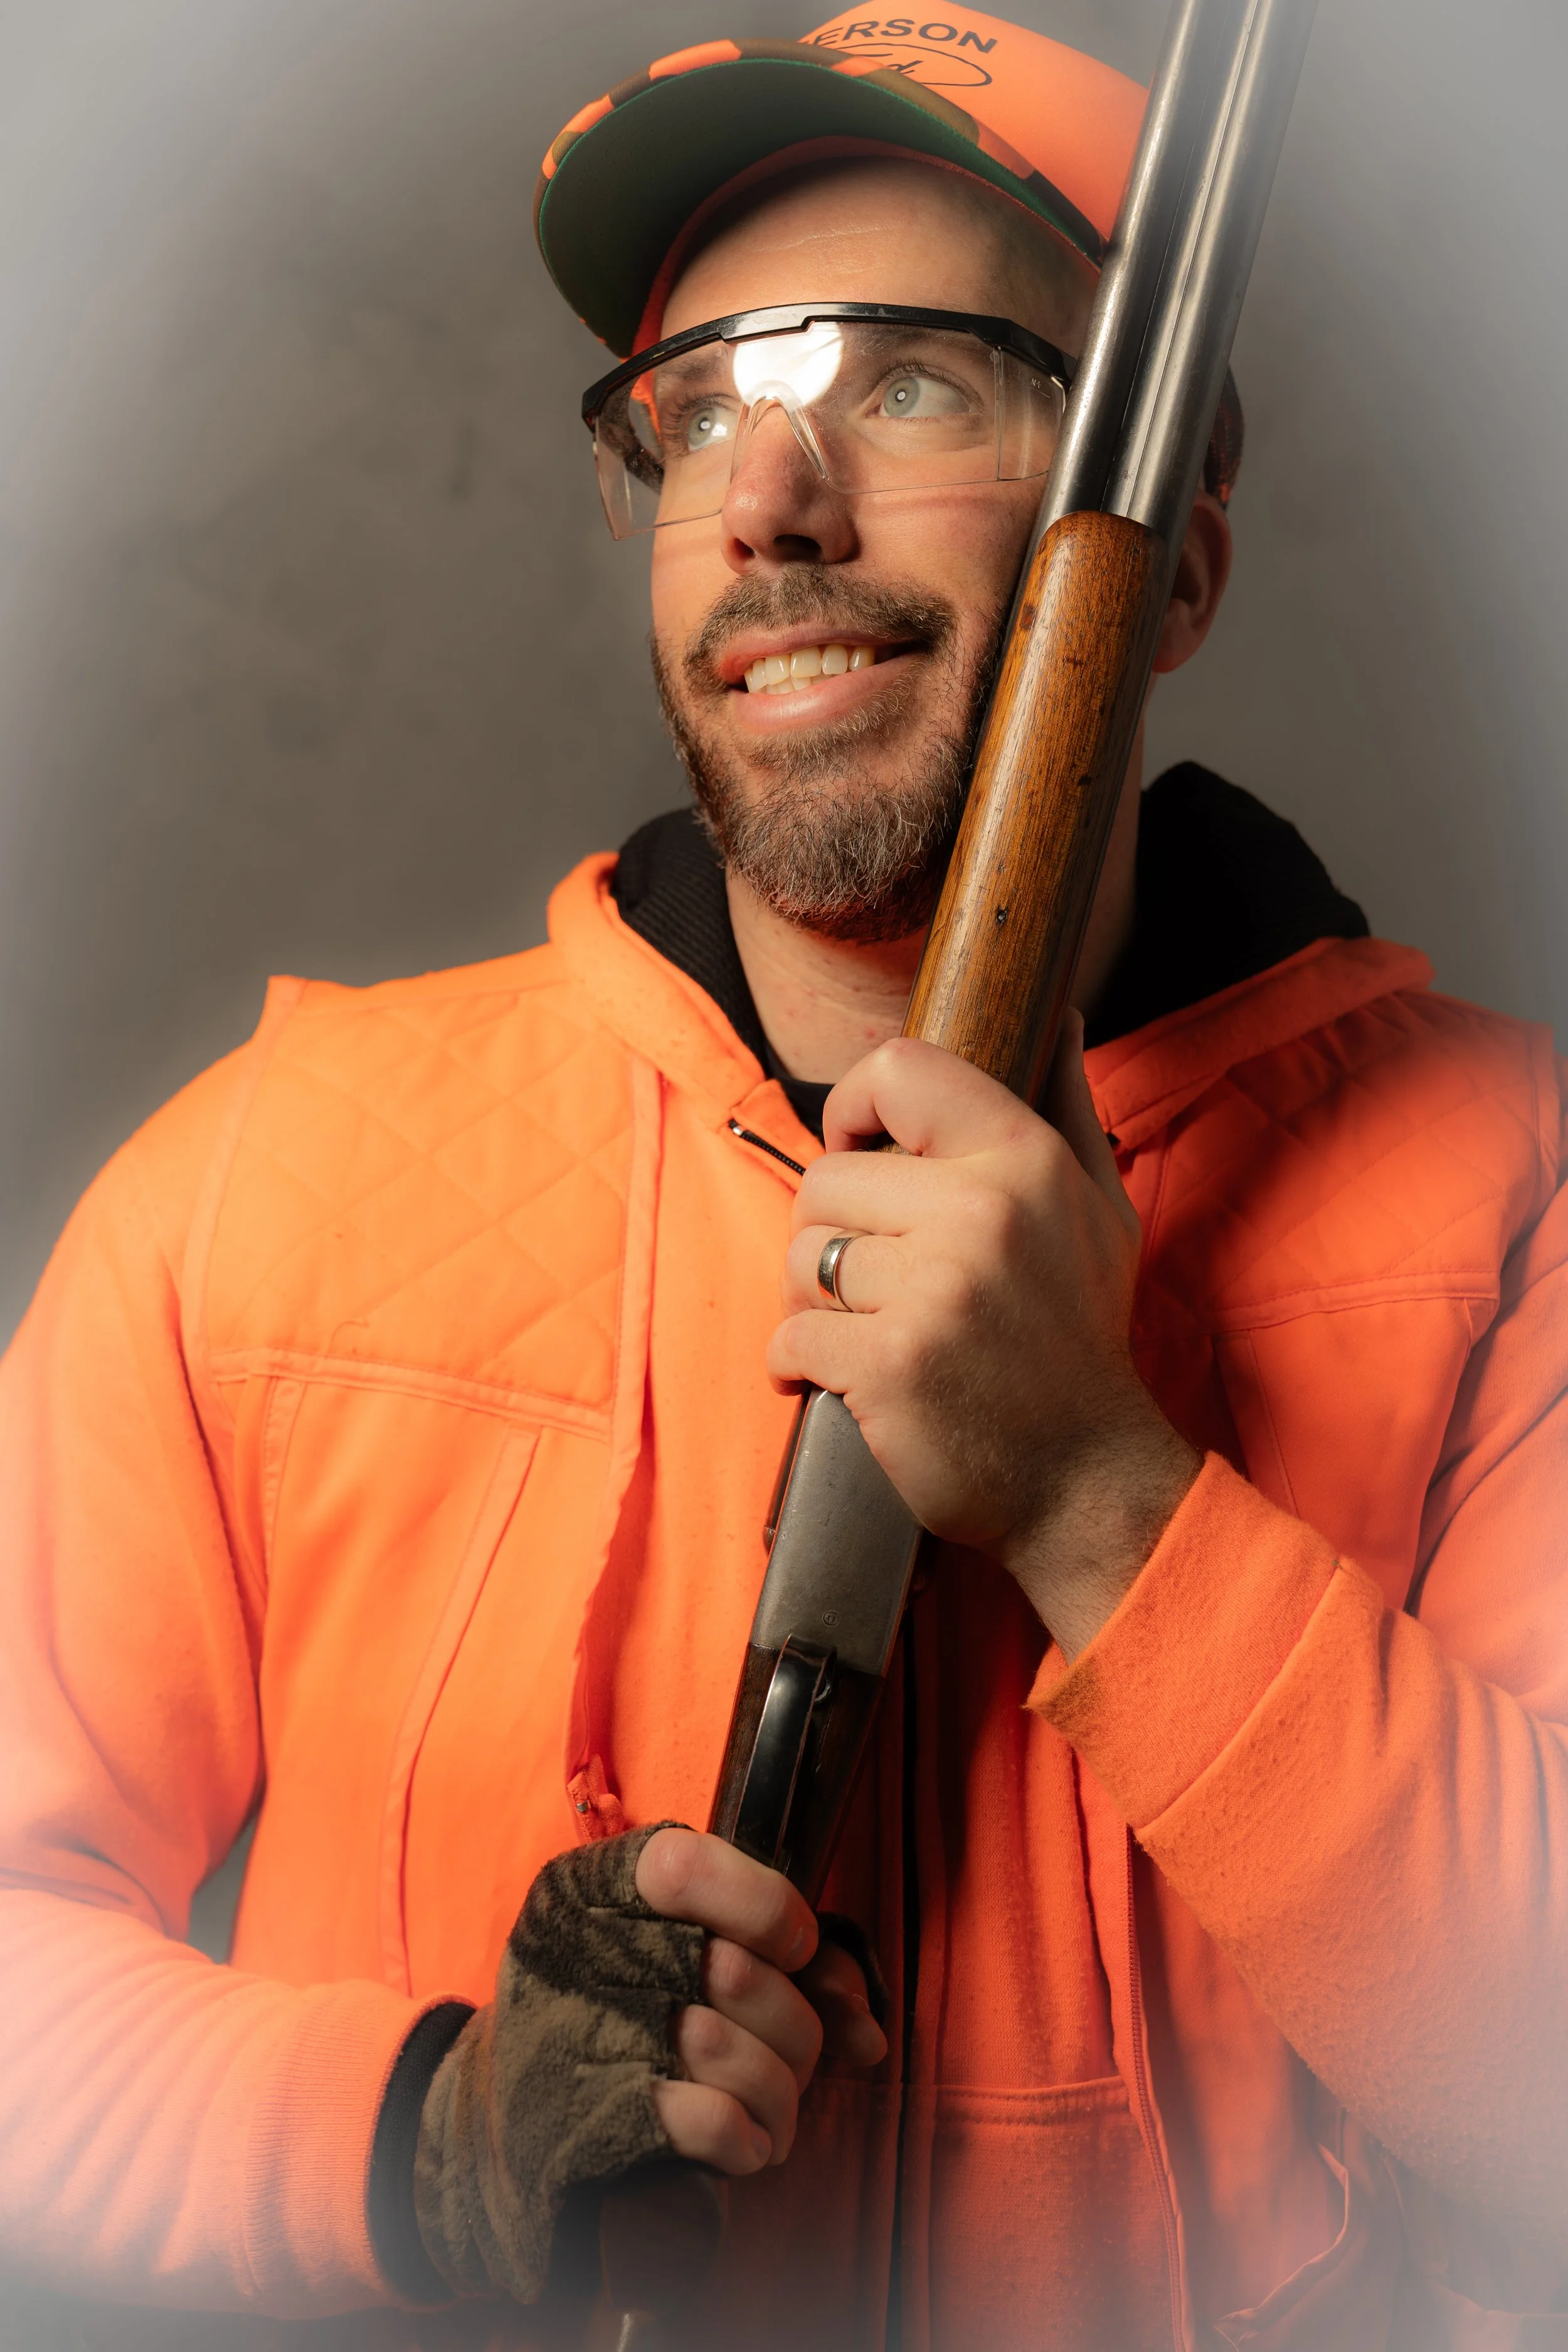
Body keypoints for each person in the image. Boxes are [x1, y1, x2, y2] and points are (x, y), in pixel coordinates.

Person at [2, 9, 1565, 2349]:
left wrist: (1099, 1496)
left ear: (1178, 544)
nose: (769, 494)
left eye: (912, 383)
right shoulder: (256, 1196)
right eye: (702, 403)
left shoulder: (1515, 1197)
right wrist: (425, 2138)